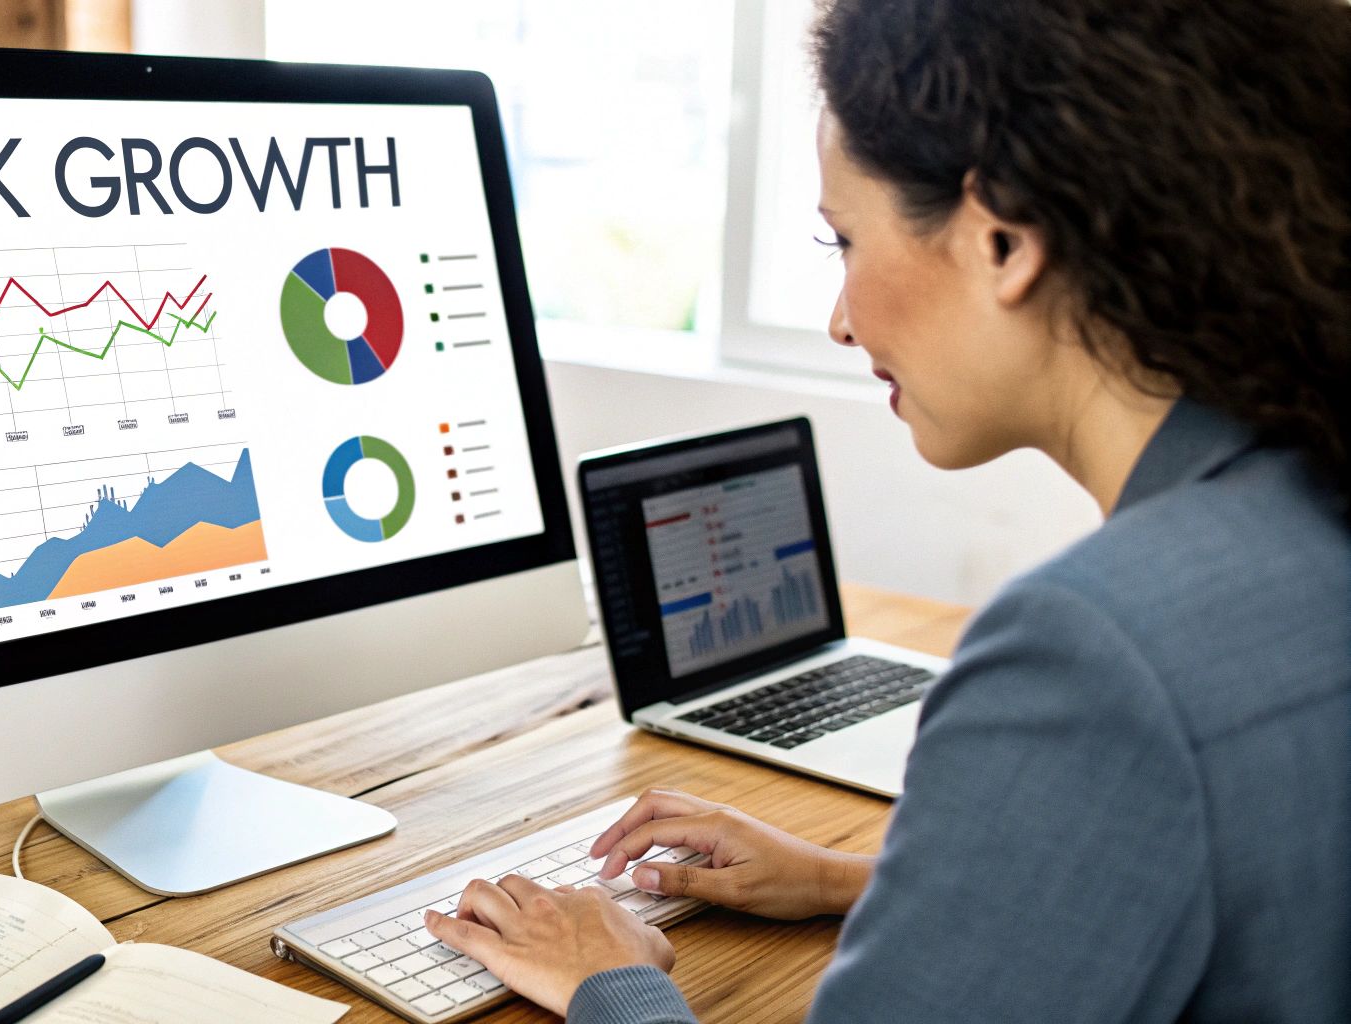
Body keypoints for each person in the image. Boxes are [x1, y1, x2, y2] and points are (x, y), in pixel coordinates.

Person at [422, 0, 1351, 1019]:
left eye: (842, 241)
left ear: (1000, 237)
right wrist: (850, 878)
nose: (837, 318)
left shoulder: (1094, 650)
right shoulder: (1304, 507)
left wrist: (609, 977)